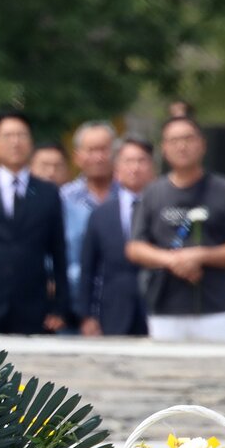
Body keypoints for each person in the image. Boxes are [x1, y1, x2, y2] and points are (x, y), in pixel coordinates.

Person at [127, 116, 225, 341]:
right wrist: (172, 260)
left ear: (202, 144)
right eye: (174, 140)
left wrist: (201, 255)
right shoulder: (152, 193)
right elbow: (135, 248)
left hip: (216, 310)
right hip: (165, 309)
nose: (181, 146)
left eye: (188, 139)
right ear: (164, 148)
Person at [0, 111, 70, 334]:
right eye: (8, 136)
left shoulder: (48, 193)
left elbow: (58, 252)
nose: (15, 142)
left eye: (22, 135)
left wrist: (59, 307)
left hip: (33, 306)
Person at [78, 136, 154, 336]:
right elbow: (88, 269)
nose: (135, 168)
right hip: (114, 311)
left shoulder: (163, 208)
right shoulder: (101, 214)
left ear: (152, 168)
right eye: (128, 161)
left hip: (156, 307)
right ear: (117, 169)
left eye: (141, 161)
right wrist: (86, 316)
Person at [61, 121, 116, 318]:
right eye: (91, 150)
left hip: (121, 305)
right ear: (77, 157)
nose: (99, 157)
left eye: (104, 149)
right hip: (72, 306)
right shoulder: (63, 199)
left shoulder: (132, 199)